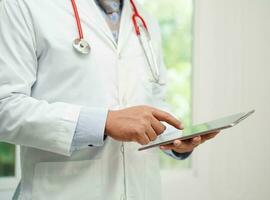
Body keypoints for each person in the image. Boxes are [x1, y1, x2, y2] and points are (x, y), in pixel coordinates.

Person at [0, 0, 218, 199]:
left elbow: (154, 98)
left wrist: (174, 139)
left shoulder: (143, 18)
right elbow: (5, 107)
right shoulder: (23, 5)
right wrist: (103, 122)